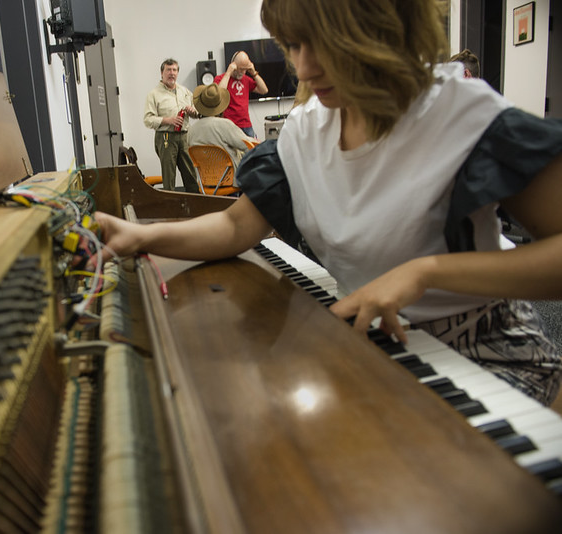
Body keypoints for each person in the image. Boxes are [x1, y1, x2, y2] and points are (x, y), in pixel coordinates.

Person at [96, 0, 562, 406]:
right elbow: (236, 227)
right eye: (295, 45)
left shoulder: (461, 116)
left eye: (325, 43)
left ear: (383, 29)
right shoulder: (305, 132)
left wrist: (427, 273)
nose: (304, 67)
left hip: (483, 355)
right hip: (377, 347)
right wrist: (141, 235)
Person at [143, 58, 200, 193]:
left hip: (185, 136)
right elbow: (148, 119)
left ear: (177, 73)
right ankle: (170, 208)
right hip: (166, 137)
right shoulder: (154, 94)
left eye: (174, 70)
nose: (171, 73)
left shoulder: (185, 91)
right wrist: (168, 120)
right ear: (162, 73)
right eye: (168, 70)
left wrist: (193, 112)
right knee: (169, 177)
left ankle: (195, 206)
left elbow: (197, 112)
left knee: (190, 173)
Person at [189, 83, 258, 175]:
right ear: (220, 105)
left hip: (204, 180)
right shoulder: (224, 125)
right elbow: (247, 145)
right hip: (229, 177)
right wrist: (258, 143)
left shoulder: (192, 130)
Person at [215, 51, 269, 137]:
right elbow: (219, 93)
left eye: (245, 69)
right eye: (241, 69)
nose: (243, 72)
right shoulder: (220, 79)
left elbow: (264, 90)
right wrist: (228, 73)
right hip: (229, 126)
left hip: (246, 125)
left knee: (253, 148)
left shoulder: (246, 79)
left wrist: (254, 73)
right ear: (233, 65)